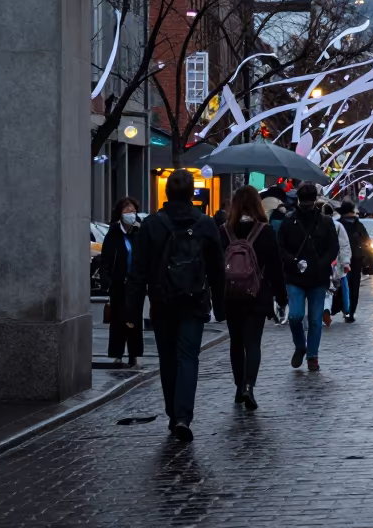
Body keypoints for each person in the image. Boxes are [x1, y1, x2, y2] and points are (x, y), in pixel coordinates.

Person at [125, 170, 225, 441]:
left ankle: (173, 412)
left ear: (166, 192)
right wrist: (221, 304)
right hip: (194, 301)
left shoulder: (152, 225)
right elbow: (216, 269)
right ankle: (183, 416)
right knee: (188, 357)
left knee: (168, 359)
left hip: (162, 301)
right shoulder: (205, 224)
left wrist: (131, 311)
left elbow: (138, 272)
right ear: (192, 192)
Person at [219, 185, 286, 410]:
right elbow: (276, 266)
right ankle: (249, 386)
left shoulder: (225, 230)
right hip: (258, 294)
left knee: (236, 343)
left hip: (231, 296)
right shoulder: (265, 231)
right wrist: (281, 296)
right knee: (253, 343)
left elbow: (216, 267)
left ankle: (239, 387)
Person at [276, 182, 340, 371]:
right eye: (303, 204)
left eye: (309, 204)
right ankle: (300, 346)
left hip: (318, 278)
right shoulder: (288, 221)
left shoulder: (325, 222)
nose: (306, 207)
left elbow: (333, 248)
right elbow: (280, 247)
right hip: (295, 276)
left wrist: (321, 264)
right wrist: (293, 261)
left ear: (315, 202)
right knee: (295, 316)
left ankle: (313, 355)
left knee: (314, 319)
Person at [100, 197, 144, 367]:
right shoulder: (114, 233)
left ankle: (134, 354)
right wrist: (108, 279)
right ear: (120, 214)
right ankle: (117, 354)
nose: (130, 214)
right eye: (127, 211)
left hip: (135, 285)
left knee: (134, 319)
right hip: (118, 283)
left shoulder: (139, 231)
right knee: (118, 320)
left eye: (133, 211)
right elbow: (106, 258)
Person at [336, 201, 369, 321]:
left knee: (342, 285)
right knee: (354, 286)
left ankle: (345, 309)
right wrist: (366, 260)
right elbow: (367, 243)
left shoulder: (339, 224)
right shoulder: (358, 225)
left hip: (341, 259)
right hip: (356, 259)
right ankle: (350, 311)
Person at [322, 202, 351, 327]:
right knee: (343, 287)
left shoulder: (318, 225)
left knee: (327, 290)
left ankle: (326, 310)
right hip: (337, 262)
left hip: (323, 262)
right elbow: (344, 245)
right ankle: (346, 310)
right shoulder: (338, 226)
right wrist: (346, 263)